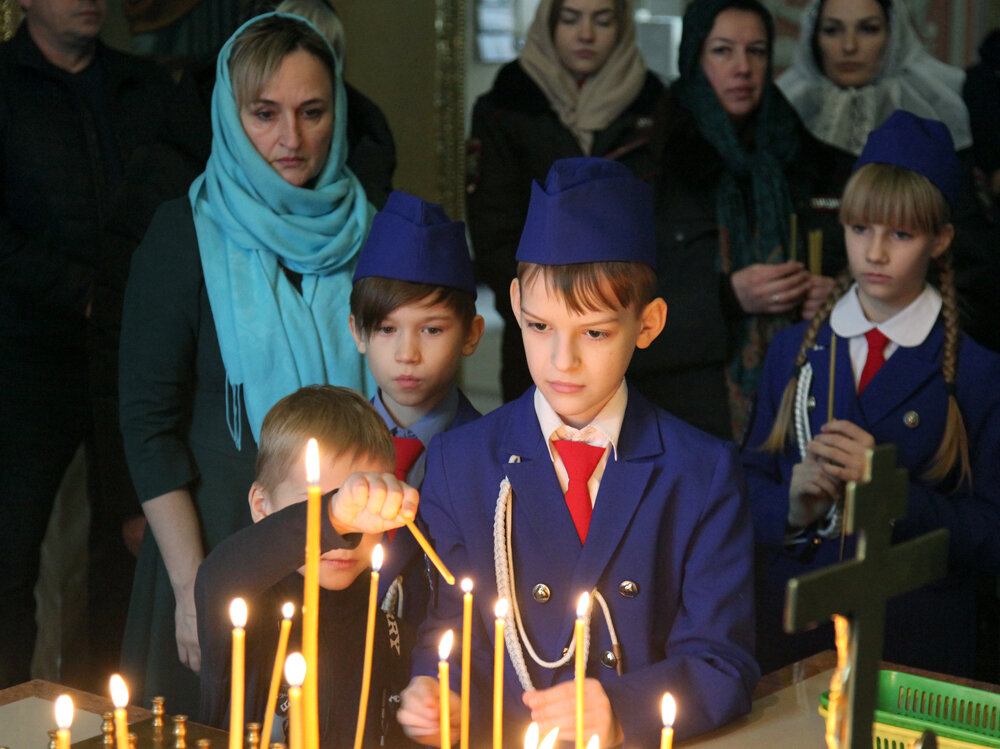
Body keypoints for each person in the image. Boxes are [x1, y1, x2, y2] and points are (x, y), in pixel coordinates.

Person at [397, 158, 758, 747]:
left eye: (594, 332)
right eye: (540, 327)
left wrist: (621, 707)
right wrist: (436, 688)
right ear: (514, 304)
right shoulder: (460, 462)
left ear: (648, 323)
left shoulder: (700, 473)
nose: (561, 361)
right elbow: (450, 626)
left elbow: (724, 663)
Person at [119, 12, 372, 713]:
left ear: (338, 109)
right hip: (211, 548)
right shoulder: (185, 232)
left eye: (312, 112)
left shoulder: (370, 230)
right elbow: (147, 424)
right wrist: (190, 583)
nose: (291, 139)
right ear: (230, 118)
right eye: (264, 114)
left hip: (340, 560)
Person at [742, 111, 1000, 678]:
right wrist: (790, 504)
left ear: (941, 239)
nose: (875, 253)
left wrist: (891, 493)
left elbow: (991, 537)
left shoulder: (977, 373)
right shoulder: (793, 351)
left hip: (913, 644)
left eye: (900, 234)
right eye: (860, 229)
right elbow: (744, 485)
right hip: (795, 638)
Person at [0, 0, 169, 688]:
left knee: (124, 550)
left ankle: (110, 709)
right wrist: (84, 290)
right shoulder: (6, 86)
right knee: (10, 557)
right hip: (28, 357)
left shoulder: (146, 86)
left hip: (131, 353)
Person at [628, 0, 837, 440]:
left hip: (800, 410)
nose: (743, 67)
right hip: (682, 417)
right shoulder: (651, 168)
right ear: (694, 58)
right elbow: (618, 322)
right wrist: (727, 297)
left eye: (757, 51)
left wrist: (837, 298)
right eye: (723, 51)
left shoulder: (811, 161)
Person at [196, 385, 420, 748]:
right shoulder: (243, 609)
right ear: (262, 506)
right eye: (317, 501)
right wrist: (331, 518)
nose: (349, 529)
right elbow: (218, 574)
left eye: (362, 506)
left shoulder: (395, 636)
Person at [775, 0, 1000, 353]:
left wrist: (862, 297)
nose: (849, 46)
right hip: (798, 343)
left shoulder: (933, 124)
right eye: (832, 30)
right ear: (813, 38)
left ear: (894, 36)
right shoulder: (780, 123)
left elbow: (974, 273)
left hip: (913, 344)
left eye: (868, 29)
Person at [467, 0, 664, 403]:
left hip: (624, 325)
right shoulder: (507, 104)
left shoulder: (657, 107)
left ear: (623, 25)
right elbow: (493, 226)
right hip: (537, 323)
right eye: (571, 19)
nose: (586, 34)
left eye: (602, 20)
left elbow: (668, 224)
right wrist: (543, 315)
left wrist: (609, 314)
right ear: (549, 22)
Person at [348, 190, 485, 623]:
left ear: (471, 334)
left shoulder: (494, 455)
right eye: (387, 329)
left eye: (431, 329)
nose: (407, 353)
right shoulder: (331, 447)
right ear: (358, 332)